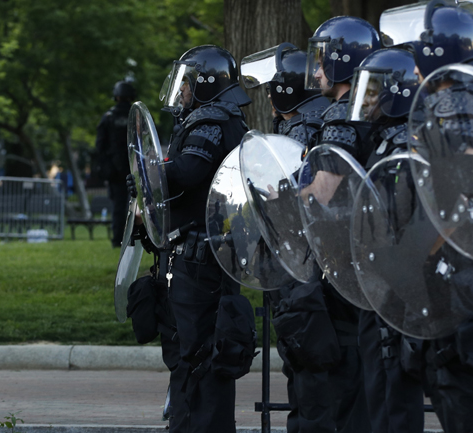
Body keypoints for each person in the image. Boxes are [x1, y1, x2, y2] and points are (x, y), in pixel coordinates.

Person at [145, 44, 252, 433]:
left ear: (206, 85)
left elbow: (189, 171)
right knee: (197, 358)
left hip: (201, 261)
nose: (183, 92)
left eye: (188, 84)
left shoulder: (211, 120)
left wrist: (150, 172)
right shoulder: (225, 118)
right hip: (205, 257)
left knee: (199, 359)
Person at [380, 2, 473, 431]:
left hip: (456, 274)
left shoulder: (448, 101)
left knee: (453, 386)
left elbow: (454, 195)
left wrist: (410, 259)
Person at [241, 43, 337, 433]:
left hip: (303, 263)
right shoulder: (306, 122)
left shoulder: (302, 128)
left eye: (272, 86)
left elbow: (291, 197)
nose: (267, 94)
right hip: (309, 261)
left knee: (306, 358)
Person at [303, 15, 381, 433]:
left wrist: (287, 190)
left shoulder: (341, 115)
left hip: (342, 263)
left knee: (346, 376)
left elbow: (323, 189)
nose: (315, 71)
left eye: (321, 61)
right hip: (374, 258)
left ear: (341, 61)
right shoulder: (379, 109)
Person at [346, 47, 425, 433]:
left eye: (374, 92)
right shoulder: (382, 141)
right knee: (379, 392)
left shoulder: (403, 148)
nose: (367, 101)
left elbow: (402, 224)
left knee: (392, 398)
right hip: (375, 288)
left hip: (393, 293)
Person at [95, 81, 136, 247]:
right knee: (137, 205)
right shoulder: (137, 115)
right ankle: (135, 238)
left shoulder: (108, 117)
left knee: (118, 206)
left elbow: (100, 146)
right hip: (135, 167)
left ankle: (118, 239)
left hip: (115, 170)